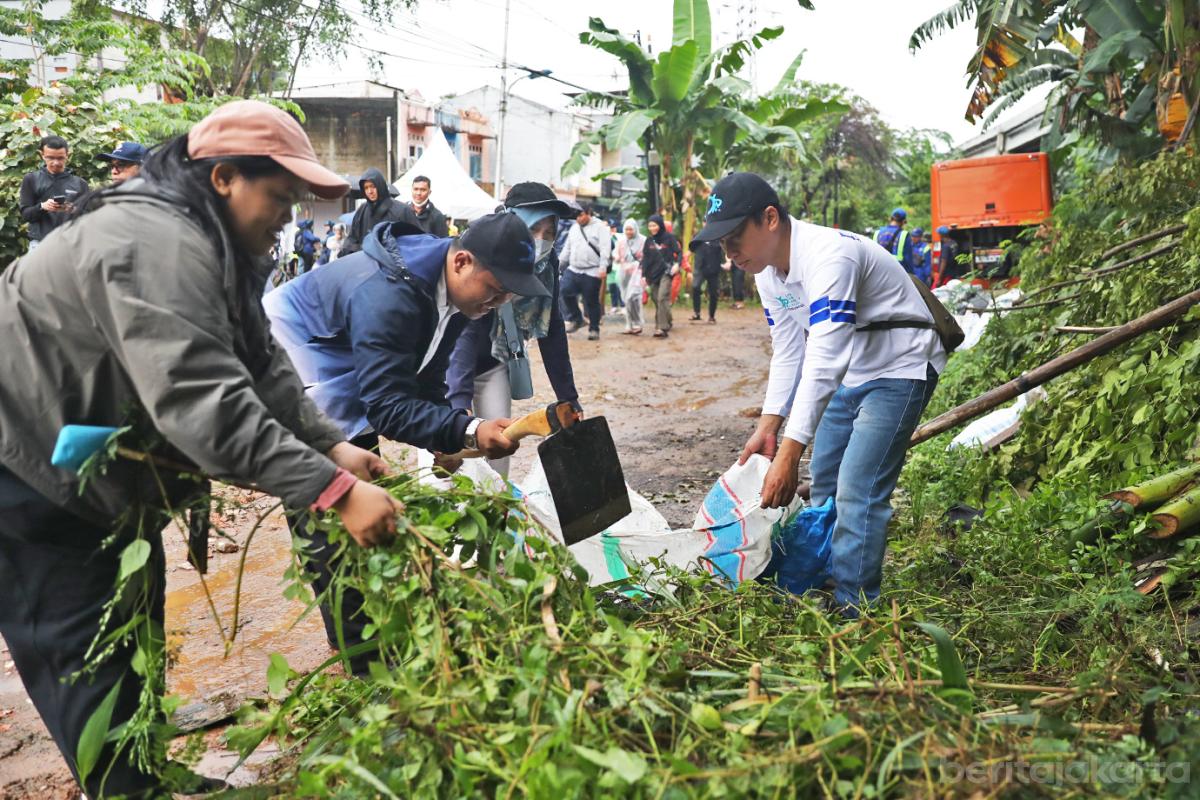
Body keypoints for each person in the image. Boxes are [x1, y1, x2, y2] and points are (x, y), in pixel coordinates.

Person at [0, 100, 401, 798]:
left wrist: (330, 448)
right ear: (223, 178)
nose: (287, 217)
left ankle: (148, 769)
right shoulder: (155, 241)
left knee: (132, 621)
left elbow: (262, 363)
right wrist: (333, 492)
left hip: (95, 466)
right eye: (279, 198)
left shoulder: (212, 240)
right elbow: (202, 402)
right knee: (84, 651)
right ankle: (128, 789)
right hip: (30, 467)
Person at [263, 211, 547, 668]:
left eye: (507, 296)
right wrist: (468, 430)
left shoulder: (454, 297)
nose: (498, 302)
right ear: (462, 262)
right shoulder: (389, 293)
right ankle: (362, 665)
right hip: (289, 370)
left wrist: (448, 436)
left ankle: (369, 641)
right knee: (331, 518)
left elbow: (425, 378)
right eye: (495, 290)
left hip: (342, 376)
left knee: (367, 506)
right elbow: (387, 407)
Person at [693, 172, 946, 616]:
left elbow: (825, 355)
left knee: (858, 490)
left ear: (770, 218)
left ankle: (856, 610)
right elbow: (789, 350)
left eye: (734, 238)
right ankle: (827, 574)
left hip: (901, 365)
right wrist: (769, 427)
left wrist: (789, 453)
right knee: (825, 481)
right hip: (852, 370)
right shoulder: (767, 273)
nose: (729, 253)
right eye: (722, 243)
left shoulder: (830, 256)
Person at [446, 182, 581, 476]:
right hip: (447, 365)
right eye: (533, 229)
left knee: (498, 453)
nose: (541, 240)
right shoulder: (482, 248)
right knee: (449, 459)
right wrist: (459, 403)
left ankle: (494, 502)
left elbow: (552, 330)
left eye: (549, 232)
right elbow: (465, 331)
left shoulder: (547, 265)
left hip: (495, 362)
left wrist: (568, 397)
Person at [18, 134, 89, 251]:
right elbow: (26, 215)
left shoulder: (80, 184)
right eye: (50, 158)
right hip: (40, 244)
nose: (55, 163)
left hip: (70, 244)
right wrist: (42, 207)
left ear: (67, 155)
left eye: (60, 158)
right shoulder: (31, 179)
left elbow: (89, 217)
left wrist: (72, 209)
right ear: (42, 155)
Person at [559, 205, 611, 341]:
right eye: (576, 216)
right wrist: (558, 265)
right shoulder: (574, 228)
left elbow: (605, 249)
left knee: (591, 300)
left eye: (581, 215)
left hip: (592, 270)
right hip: (574, 268)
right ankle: (577, 318)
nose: (578, 219)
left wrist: (603, 267)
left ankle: (594, 328)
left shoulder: (601, 228)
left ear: (589, 213)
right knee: (564, 290)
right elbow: (567, 249)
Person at [341, 167, 419, 256]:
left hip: (394, 262)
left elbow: (415, 241)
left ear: (380, 186)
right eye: (366, 188)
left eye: (373, 186)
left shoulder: (402, 210)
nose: (370, 191)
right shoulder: (362, 210)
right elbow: (352, 239)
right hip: (366, 261)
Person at [642, 213, 681, 338]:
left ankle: (661, 328)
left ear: (660, 225)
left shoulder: (669, 238)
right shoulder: (649, 241)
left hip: (666, 272)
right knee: (657, 300)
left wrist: (677, 264)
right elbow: (645, 259)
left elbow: (679, 252)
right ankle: (668, 319)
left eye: (654, 225)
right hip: (652, 275)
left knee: (662, 297)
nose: (652, 228)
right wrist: (643, 275)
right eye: (650, 226)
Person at [615, 218, 645, 334]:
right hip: (624, 272)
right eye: (626, 229)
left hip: (638, 271)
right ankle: (629, 324)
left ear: (635, 229)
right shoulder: (621, 241)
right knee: (626, 299)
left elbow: (647, 256)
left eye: (631, 229)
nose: (628, 232)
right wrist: (617, 258)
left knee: (634, 297)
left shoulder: (643, 240)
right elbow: (616, 254)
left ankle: (638, 323)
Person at [689, 238, 723, 324]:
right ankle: (697, 313)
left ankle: (711, 316)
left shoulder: (717, 239)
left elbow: (724, 250)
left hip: (713, 269)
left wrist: (725, 263)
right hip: (700, 269)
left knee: (713, 293)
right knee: (695, 287)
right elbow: (691, 247)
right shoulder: (699, 238)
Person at [874, 208, 916, 275]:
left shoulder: (877, 233)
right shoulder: (904, 235)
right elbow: (908, 260)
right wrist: (911, 274)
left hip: (878, 272)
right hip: (897, 274)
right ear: (903, 221)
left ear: (890, 219)